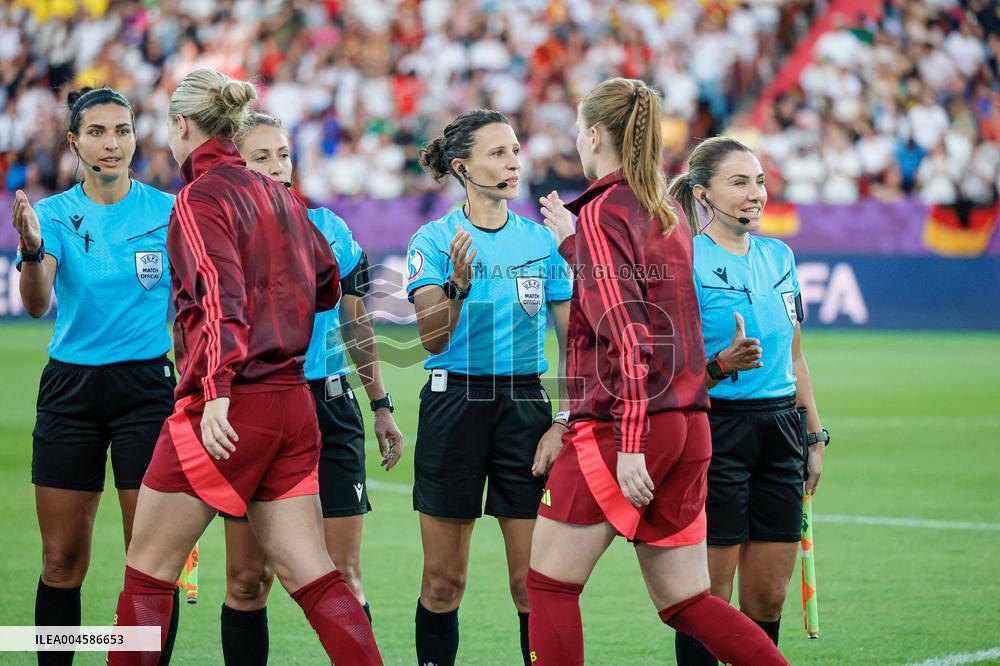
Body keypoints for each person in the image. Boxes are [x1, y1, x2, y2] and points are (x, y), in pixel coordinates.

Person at [107, 68, 382, 665]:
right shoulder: (281, 196)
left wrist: (218, 390)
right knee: (314, 577)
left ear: (181, 125)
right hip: (293, 404)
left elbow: (217, 295)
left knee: (149, 575)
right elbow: (329, 285)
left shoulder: (200, 197)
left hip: (231, 401)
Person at [527, 77, 788, 665]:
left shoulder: (600, 212)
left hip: (625, 425)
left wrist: (631, 443)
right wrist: (575, 248)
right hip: (691, 424)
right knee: (687, 601)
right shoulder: (665, 210)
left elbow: (627, 334)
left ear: (593, 135)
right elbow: (639, 303)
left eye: (577, 130)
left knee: (548, 584)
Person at [218, 112, 404, 665]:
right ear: (235, 166)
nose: (277, 167)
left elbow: (356, 323)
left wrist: (381, 405)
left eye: (283, 154)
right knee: (248, 580)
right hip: (253, 407)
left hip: (328, 404)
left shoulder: (331, 228)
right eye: (261, 157)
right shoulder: (219, 233)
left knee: (343, 573)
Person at [11, 86, 180, 666]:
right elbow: (36, 304)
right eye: (99, 132)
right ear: (75, 142)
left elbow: (195, 304)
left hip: (148, 393)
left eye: (123, 131)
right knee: (61, 561)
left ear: (137, 136)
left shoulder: (168, 211)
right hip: (71, 392)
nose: (112, 144)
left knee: (153, 559)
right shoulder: (53, 214)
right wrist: (32, 251)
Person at [406, 108, 573, 666]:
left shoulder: (542, 243)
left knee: (533, 582)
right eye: (498, 153)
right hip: (454, 403)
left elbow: (575, 343)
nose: (512, 163)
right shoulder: (433, 240)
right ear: (463, 166)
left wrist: (563, 421)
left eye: (514, 151)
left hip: (526, 408)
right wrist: (456, 284)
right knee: (443, 582)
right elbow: (432, 340)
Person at [668, 136, 828, 665]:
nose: (755, 193)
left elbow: (796, 357)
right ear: (702, 193)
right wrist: (721, 366)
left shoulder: (779, 254)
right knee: (709, 601)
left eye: (758, 181)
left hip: (781, 430)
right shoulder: (686, 259)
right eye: (739, 182)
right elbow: (664, 372)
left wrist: (814, 435)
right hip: (715, 431)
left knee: (768, 597)